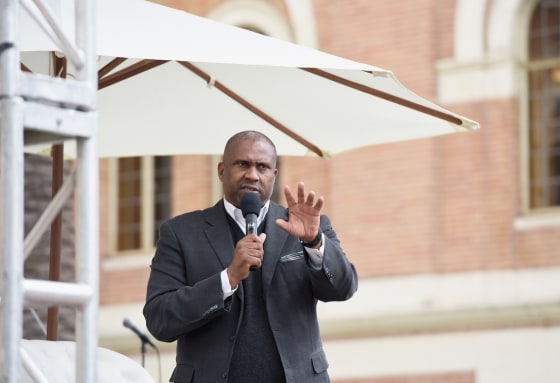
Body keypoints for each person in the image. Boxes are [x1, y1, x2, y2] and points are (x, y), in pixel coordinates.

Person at [143, 130, 358, 383]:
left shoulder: (307, 225)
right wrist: (228, 278)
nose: (252, 174)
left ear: (273, 176)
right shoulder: (181, 233)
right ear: (222, 171)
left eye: (262, 167)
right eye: (243, 164)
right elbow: (159, 319)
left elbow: (344, 288)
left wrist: (314, 242)